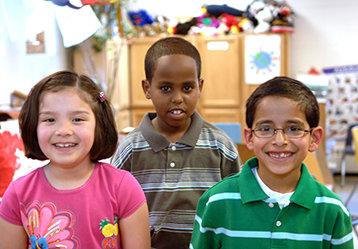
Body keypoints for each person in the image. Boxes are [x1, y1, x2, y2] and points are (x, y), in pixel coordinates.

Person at [190, 76, 354, 249]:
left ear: (314, 138)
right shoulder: (216, 201)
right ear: (249, 137)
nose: (279, 140)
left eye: (294, 129)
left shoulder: (332, 209)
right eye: (265, 129)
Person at [110, 37, 242, 248]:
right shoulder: (130, 149)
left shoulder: (220, 146)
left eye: (188, 88)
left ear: (200, 87)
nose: (178, 98)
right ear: (147, 88)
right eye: (165, 88)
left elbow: (237, 205)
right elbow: (111, 208)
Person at [0, 70, 151, 249]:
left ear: (99, 123)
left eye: (77, 119)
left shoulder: (123, 187)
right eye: (49, 119)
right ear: (33, 125)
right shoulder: (18, 195)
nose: (63, 130)